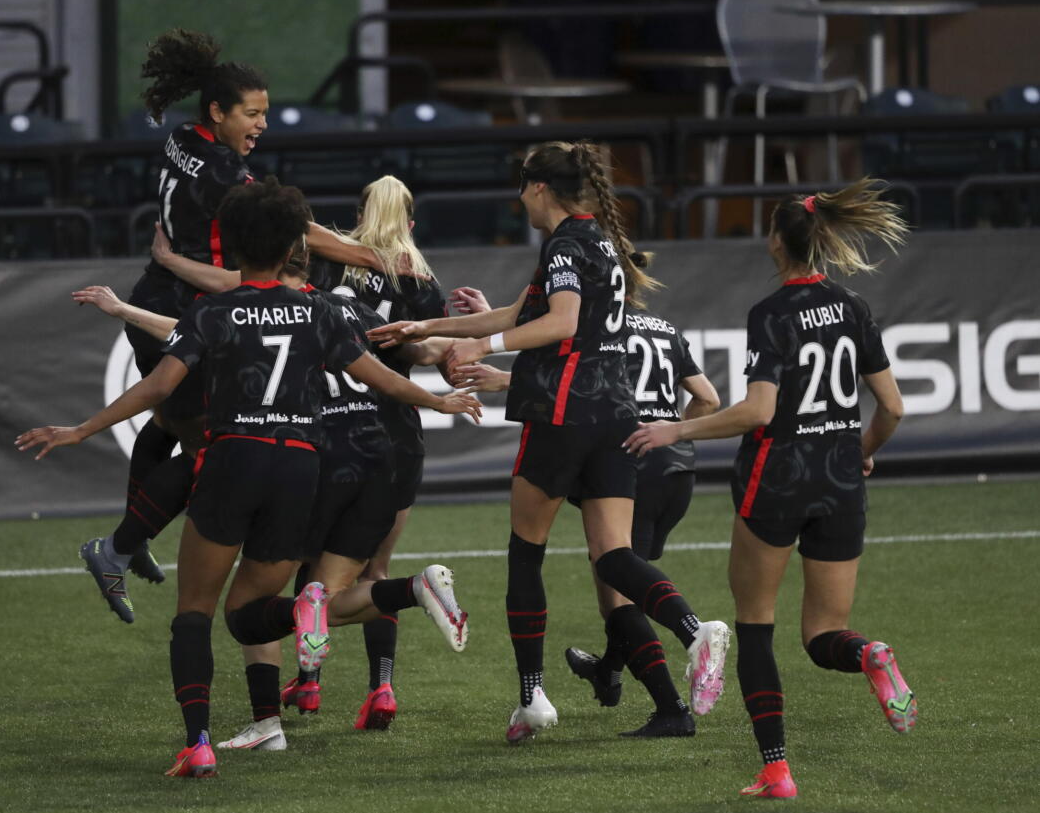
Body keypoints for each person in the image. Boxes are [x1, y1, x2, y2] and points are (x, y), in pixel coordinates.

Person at [17, 178, 480, 777]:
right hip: (301, 467)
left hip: (236, 458)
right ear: (297, 245)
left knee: (196, 612)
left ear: (232, 246)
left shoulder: (212, 309)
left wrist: (80, 429)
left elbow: (158, 386)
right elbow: (380, 377)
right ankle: (306, 614)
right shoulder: (322, 309)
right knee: (250, 610)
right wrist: (440, 402)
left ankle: (199, 742)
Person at [369, 141, 731, 744]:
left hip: (564, 416)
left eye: (522, 186)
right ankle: (693, 629)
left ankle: (532, 695)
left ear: (540, 188)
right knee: (613, 556)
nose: (518, 198)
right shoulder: (600, 242)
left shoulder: (563, 243)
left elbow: (559, 322)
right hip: (617, 416)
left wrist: (483, 348)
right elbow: (519, 310)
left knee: (525, 552)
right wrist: (428, 324)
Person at [83, 29, 388, 623]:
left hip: (161, 294)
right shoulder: (224, 171)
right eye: (252, 113)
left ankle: (130, 538)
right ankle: (116, 547)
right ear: (217, 112)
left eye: (265, 113)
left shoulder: (181, 139)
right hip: (193, 308)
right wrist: (372, 255)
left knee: (172, 421)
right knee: (213, 450)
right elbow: (292, 228)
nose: (262, 124)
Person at [626, 179, 913, 799]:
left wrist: (678, 425)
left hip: (777, 478)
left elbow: (758, 412)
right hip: (841, 482)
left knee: (756, 626)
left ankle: (777, 769)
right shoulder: (854, 307)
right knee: (823, 635)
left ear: (776, 242)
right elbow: (891, 407)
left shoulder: (771, 313)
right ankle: (868, 654)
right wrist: (861, 452)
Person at [453, 304, 721, 737]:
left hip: (626, 449)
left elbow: (580, 381)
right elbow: (707, 398)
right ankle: (609, 671)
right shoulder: (664, 325)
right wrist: (674, 437)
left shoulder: (595, 322)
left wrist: (499, 369)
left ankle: (673, 699)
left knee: (613, 593)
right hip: (676, 469)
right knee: (621, 576)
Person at [283, 175, 451, 725]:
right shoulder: (421, 283)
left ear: (358, 214)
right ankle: (382, 689)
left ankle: (308, 684)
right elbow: (432, 355)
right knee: (376, 571)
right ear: (411, 222)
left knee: (310, 568)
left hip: (326, 432)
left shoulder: (326, 264)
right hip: (395, 435)